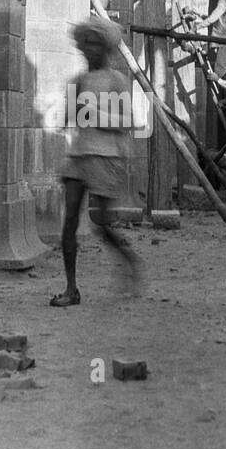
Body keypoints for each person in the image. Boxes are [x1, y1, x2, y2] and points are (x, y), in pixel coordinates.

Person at [50, 17, 140, 308]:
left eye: (95, 44)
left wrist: (95, 113)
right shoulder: (78, 81)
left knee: (100, 223)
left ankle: (129, 261)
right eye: (86, 44)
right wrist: (69, 113)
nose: (90, 50)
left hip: (106, 156)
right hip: (79, 155)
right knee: (70, 223)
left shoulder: (117, 80)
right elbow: (68, 120)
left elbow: (129, 122)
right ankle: (71, 289)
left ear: (106, 49)